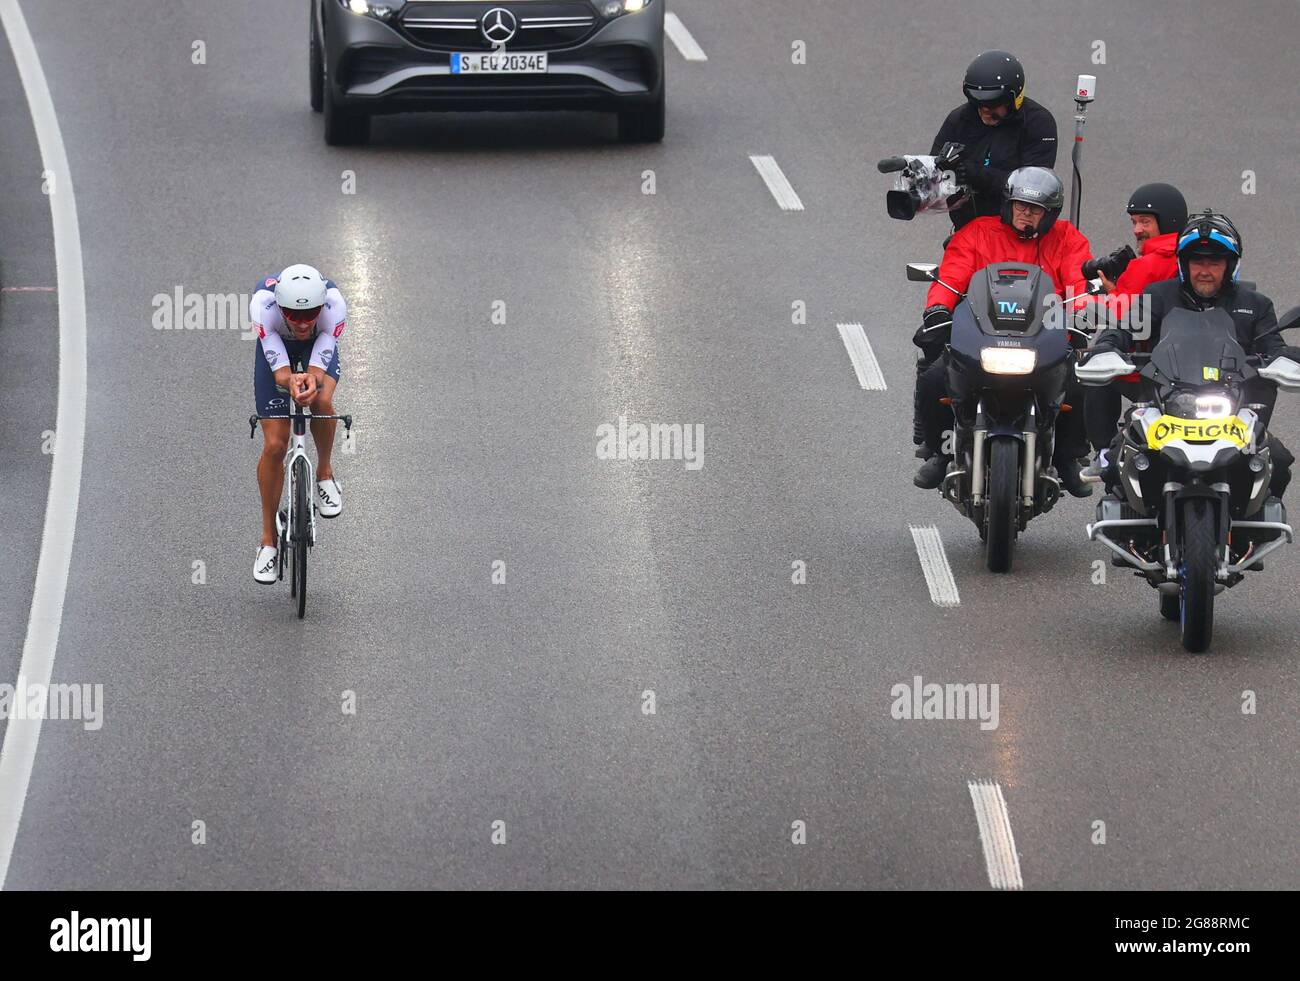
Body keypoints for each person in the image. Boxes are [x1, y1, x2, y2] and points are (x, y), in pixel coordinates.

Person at [913, 167, 1095, 495]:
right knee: (933, 377)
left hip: (1042, 340)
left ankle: (1069, 456)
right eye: (1020, 206)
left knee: (1082, 380)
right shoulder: (977, 233)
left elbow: (1079, 283)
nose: (1026, 215)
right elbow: (952, 275)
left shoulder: (1067, 239)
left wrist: (1083, 313)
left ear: (1050, 215)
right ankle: (938, 453)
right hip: (983, 337)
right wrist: (938, 307)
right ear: (1007, 205)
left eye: (1035, 210)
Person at [1090, 211, 1297, 496]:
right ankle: (1128, 523)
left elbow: (1273, 345)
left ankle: (1257, 526)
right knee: (1115, 464)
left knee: (1278, 462)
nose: (1204, 270)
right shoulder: (1158, 295)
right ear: (1184, 264)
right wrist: (1107, 346)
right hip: (1164, 408)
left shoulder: (1256, 305)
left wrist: (1283, 358)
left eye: (1214, 262)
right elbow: (1126, 327)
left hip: (1234, 414)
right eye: (1197, 261)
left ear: (1230, 265)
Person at [250, 264, 347, 584]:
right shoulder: (263, 308)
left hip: (318, 347)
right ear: (279, 307)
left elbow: (318, 370)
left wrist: (311, 380)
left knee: (319, 400)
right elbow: (279, 373)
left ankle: (325, 473)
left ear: (322, 306)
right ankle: (267, 541)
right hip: (278, 347)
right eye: (294, 314)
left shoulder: (334, 307)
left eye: (311, 314)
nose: (303, 323)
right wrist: (289, 379)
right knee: (276, 444)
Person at [1083, 183, 1188, 458]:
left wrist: (1109, 292)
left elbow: (1125, 318)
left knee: (1094, 373)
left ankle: (1103, 453)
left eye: (1145, 221)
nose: (1137, 229)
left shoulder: (1146, 265)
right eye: (1134, 222)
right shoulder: (1192, 260)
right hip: (1195, 364)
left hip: (1151, 370)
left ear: (1168, 222)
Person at [930, 50, 1059, 232]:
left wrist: (973, 174)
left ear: (1014, 99)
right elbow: (933, 168)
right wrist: (912, 169)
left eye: (992, 104)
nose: (984, 110)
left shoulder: (1038, 123)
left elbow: (1033, 189)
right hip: (966, 231)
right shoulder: (959, 118)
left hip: (1016, 231)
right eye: (978, 103)